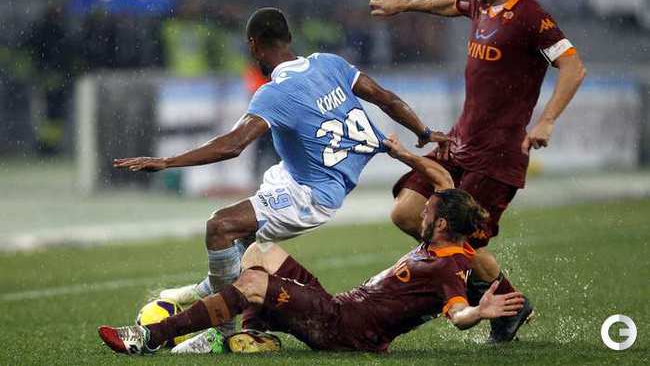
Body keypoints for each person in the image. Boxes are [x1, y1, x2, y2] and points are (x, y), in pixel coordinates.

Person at [113, 8, 447, 334]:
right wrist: (424, 132)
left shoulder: (274, 93)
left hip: (311, 193)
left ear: (253, 45)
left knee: (220, 226)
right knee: (241, 246)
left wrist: (168, 162)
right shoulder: (329, 63)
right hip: (293, 174)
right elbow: (385, 98)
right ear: (288, 38)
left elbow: (233, 145)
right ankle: (222, 303)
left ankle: (221, 333)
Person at [99, 135, 525, 355]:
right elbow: (443, 179)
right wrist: (400, 153)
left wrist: (479, 311)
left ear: (442, 223)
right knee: (260, 252)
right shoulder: (447, 237)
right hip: (340, 308)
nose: (421, 213)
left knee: (252, 282)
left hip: (346, 331)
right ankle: (251, 331)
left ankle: (150, 337)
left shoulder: (448, 268)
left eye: (428, 211)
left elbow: (458, 315)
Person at [368, 0, 586, 342]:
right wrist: (404, 4)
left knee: (455, 239)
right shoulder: (482, 4)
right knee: (406, 213)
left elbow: (573, 68)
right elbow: (449, 3)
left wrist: (547, 121)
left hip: (496, 157)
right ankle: (501, 297)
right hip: (458, 143)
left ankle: (501, 306)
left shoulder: (531, 17)